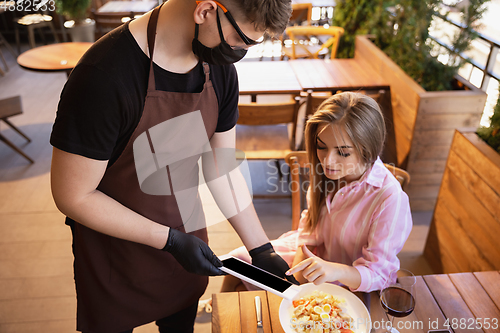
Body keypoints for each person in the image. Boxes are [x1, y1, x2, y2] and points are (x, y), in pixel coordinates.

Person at [49, 0, 296, 332]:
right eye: (243, 41)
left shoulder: (218, 68)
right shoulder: (104, 76)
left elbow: (220, 165)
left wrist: (261, 248)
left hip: (184, 240)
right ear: (206, 10)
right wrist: (169, 240)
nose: (241, 52)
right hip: (115, 255)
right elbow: (73, 195)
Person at [222, 92, 412, 293]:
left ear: (368, 150)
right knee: (235, 264)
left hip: (350, 280)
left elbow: (379, 274)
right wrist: (296, 271)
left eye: (343, 152)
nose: (327, 161)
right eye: (321, 147)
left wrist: (334, 271)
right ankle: (214, 308)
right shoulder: (328, 174)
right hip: (314, 257)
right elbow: (309, 225)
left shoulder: (390, 199)